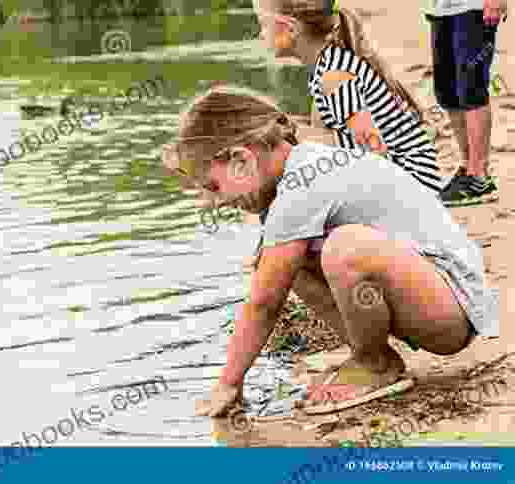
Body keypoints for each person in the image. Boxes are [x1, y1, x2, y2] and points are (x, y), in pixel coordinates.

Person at [162, 84, 498, 415]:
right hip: (427, 295)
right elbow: (270, 282)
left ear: (241, 159)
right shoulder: (294, 177)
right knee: (277, 260)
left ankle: (373, 364)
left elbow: (264, 303)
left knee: (344, 248)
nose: (215, 201)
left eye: (213, 186)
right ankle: (373, 357)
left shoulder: (303, 182)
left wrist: (229, 384)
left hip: (451, 311)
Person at [253, 0, 444, 197]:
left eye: (263, 25)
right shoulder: (325, 66)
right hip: (400, 178)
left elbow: (374, 149)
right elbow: (323, 130)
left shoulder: (334, 77)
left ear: (290, 28)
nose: (261, 34)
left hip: (413, 185)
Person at [422, 0, 506, 206]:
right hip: (441, 8)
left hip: (475, 9)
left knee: (472, 88)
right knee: (447, 92)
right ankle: (469, 168)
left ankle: (478, 175)